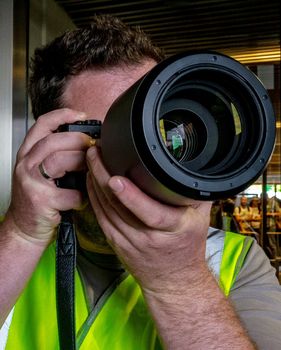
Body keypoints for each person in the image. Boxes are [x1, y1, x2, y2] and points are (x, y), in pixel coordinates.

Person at [0, 14, 281, 350]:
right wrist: (21, 234)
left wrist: (179, 281)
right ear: (50, 141)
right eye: (106, 133)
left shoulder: (237, 259)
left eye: (152, 123)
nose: (151, 153)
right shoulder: (11, 242)